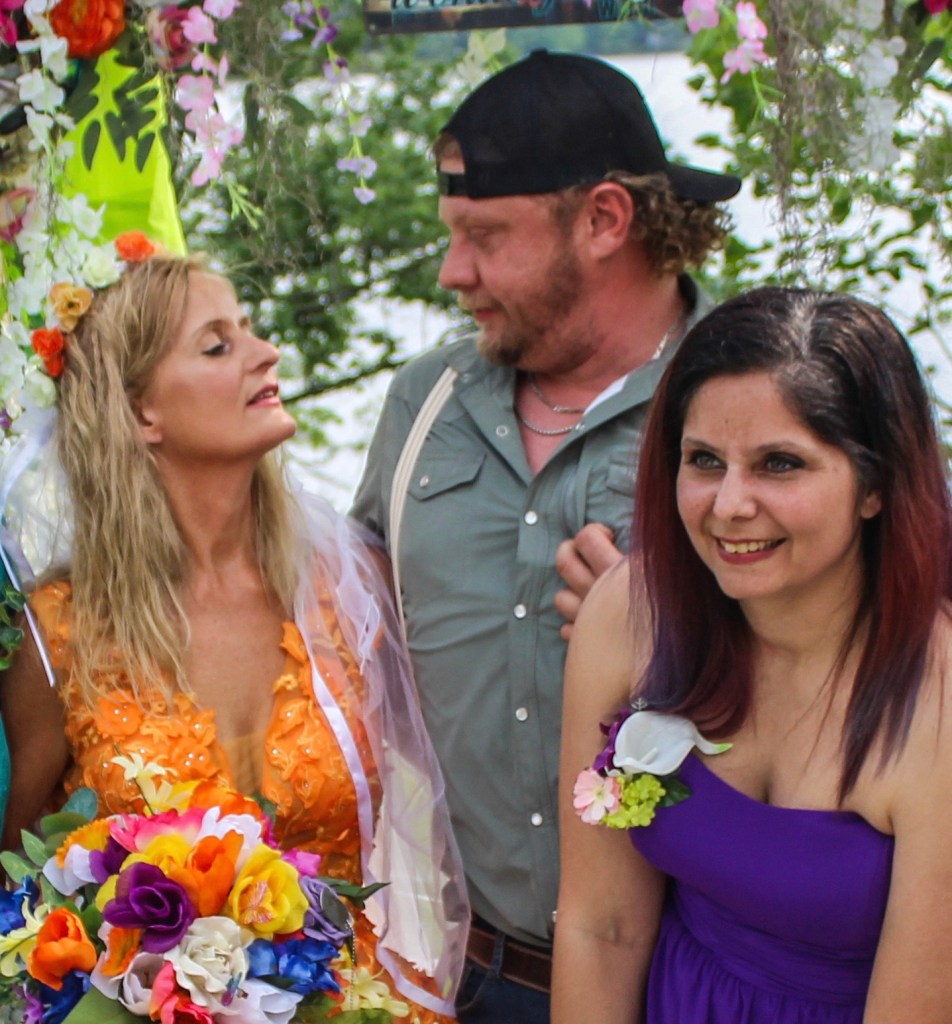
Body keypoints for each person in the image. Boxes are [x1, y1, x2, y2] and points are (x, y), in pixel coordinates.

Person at [351, 48, 740, 1022]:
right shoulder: (423, 403)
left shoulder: (760, 400)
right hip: (468, 976)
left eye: (483, 236)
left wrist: (690, 628)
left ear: (604, 219)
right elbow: (339, 633)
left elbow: (891, 676)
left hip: (697, 984)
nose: (453, 272)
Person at [0, 249, 469, 1023]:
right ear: (140, 413)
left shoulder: (346, 590)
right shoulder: (58, 633)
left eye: (250, 330)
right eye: (218, 345)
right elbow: (20, 897)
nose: (267, 353)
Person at [552, 286, 952, 1023]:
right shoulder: (632, 613)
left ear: (875, 485)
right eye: (705, 459)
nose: (730, 505)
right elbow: (600, 929)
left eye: (780, 464)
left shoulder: (939, 699)